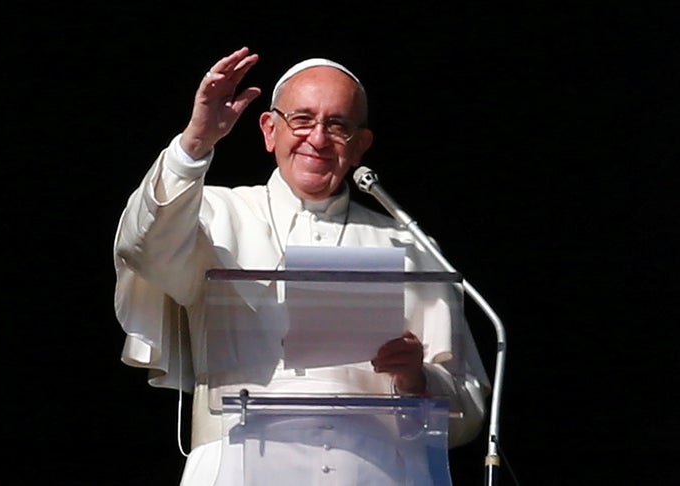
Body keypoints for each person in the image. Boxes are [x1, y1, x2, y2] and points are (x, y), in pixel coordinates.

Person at [113, 46, 491, 485]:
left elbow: (466, 415)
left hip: (378, 471)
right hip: (238, 465)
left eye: (337, 125)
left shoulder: (409, 243)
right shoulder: (211, 214)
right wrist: (195, 142)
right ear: (269, 130)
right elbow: (143, 245)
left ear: (361, 145)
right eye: (302, 119)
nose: (317, 138)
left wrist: (415, 379)